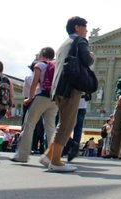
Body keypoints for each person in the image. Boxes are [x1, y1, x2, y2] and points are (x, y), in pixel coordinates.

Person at [41, 17, 95, 172]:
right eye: (85, 26)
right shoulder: (80, 41)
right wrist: (91, 55)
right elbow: (87, 60)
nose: (87, 30)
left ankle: (48, 156)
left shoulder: (64, 43)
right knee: (67, 124)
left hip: (57, 88)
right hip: (70, 88)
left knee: (63, 123)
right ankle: (56, 161)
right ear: (77, 27)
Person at [11, 47, 58, 163]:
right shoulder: (58, 65)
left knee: (29, 125)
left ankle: (22, 155)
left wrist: (30, 98)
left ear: (42, 55)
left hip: (42, 97)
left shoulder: (40, 65)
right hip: (54, 100)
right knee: (51, 128)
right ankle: (51, 156)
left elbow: (34, 83)